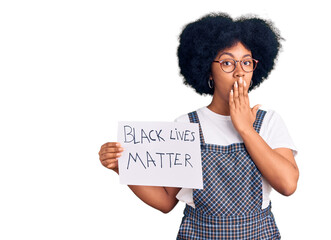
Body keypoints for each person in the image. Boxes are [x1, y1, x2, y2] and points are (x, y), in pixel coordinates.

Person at [99, 12, 299, 239]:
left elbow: (288, 185)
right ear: (208, 70)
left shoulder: (269, 121)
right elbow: (165, 201)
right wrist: (122, 168)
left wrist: (246, 128)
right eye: (226, 62)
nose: (239, 71)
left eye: (246, 62)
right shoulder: (186, 126)